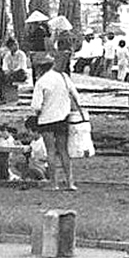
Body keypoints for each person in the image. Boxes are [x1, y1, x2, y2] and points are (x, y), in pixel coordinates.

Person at [30, 53, 78, 190]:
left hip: (46, 120)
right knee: (63, 151)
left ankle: (54, 183)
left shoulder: (41, 82)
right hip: (63, 118)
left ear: (38, 69)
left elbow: (36, 106)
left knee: (50, 151)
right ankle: (70, 182)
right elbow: (75, 96)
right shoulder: (64, 77)